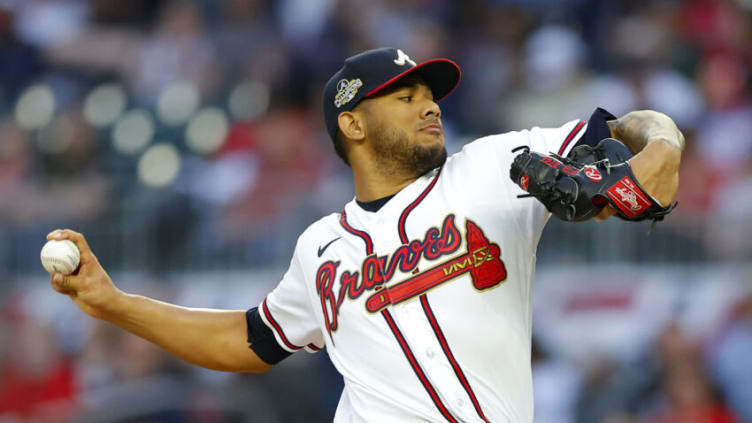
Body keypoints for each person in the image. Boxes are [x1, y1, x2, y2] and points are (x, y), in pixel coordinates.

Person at [47, 47, 684, 422]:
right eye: (405, 96)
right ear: (352, 125)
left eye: (429, 94)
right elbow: (249, 338)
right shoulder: (320, 246)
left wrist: (656, 149)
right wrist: (113, 304)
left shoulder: (495, 164)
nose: (430, 104)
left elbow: (636, 127)